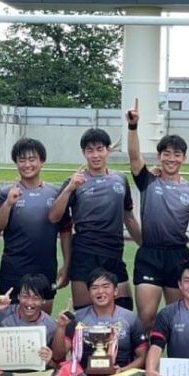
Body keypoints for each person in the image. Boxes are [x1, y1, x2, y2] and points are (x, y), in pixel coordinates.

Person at [48, 127, 141, 310]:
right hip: (84, 255)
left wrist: (146, 246)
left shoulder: (120, 179)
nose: (95, 155)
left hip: (114, 254)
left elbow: (129, 217)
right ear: (83, 153)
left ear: (108, 150)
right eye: (90, 150)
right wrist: (69, 188)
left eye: (100, 149)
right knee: (85, 315)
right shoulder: (75, 181)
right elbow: (53, 217)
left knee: (124, 311)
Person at [126, 98, 189, 330]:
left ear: (184, 158)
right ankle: (145, 355)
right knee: (146, 317)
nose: (171, 159)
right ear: (159, 156)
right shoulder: (148, 180)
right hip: (150, 255)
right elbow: (134, 157)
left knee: (177, 319)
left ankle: (172, 355)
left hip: (178, 256)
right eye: (166, 154)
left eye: (177, 154)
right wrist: (133, 126)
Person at [0, 137, 72, 314]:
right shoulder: (6, 194)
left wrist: (66, 264)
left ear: (42, 161)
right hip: (13, 269)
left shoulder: (55, 193)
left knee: (43, 322)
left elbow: (65, 230)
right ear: (16, 163)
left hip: (45, 269)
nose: (27, 165)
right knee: (8, 320)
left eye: (32, 159)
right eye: (22, 160)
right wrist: (8, 204)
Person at [52, 268, 149, 372]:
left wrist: (123, 370)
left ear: (115, 291)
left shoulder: (131, 318)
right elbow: (58, 356)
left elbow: (143, 356)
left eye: (105, 286)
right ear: (89, 292)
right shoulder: (77, 319)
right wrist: (61, 327)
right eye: (94, 288)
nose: (100, 291)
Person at [0, 274, 57, 367]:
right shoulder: (2, 313)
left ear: (44, 300)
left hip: (31, 374)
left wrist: (49, 361)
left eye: (35, 298)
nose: (29, 302)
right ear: (18, 296)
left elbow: (58, 365)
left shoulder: (51, 325)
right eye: (25, 296)